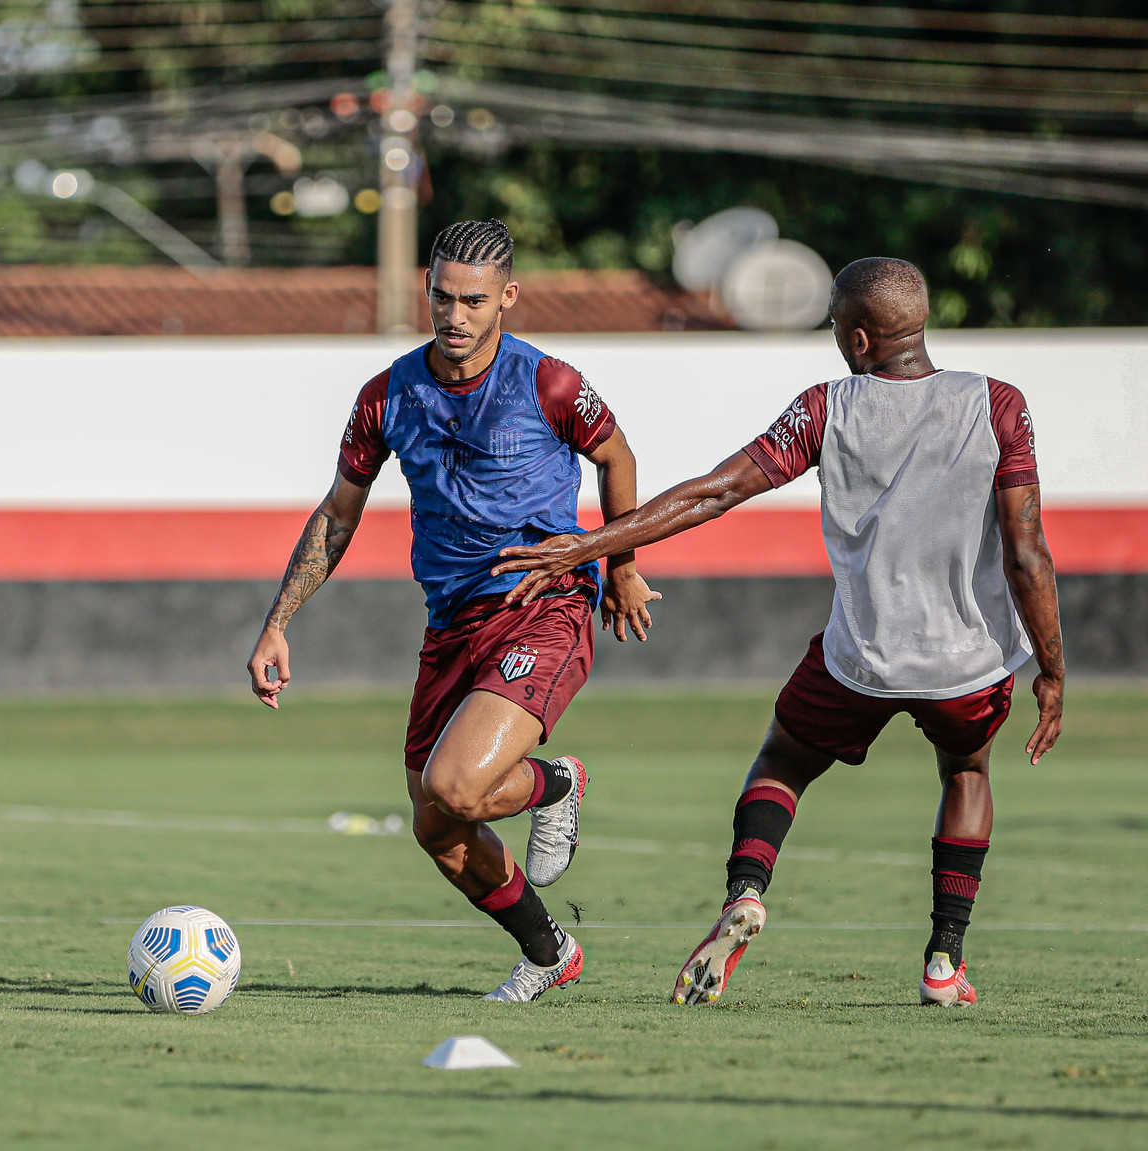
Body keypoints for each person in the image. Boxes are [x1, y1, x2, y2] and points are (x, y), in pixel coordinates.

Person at [498, 257, 1064, 1008]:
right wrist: (1051, 669)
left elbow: (716, 492)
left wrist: (587, 544)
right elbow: (1028, 551)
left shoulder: (826, 407)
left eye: (833, 323)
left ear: (860, 339)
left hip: (857, 661)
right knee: (966, 774)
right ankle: (943, 960)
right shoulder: (999, 403)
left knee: (782, 761)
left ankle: (746, 891)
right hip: (970, 665)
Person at [246, 219, 659, 1003]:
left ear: (507, 298)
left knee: (460, 787)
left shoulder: (551, 383)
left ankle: (554, 783)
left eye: (474, 299)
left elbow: (616, 455)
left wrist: (623, 564)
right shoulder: (387, 396)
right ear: (426, 292)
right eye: (442, 296)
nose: (456, 315)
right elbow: (338, 513)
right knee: (435, 824)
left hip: (545, 604)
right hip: (450, 624)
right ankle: (548, 949)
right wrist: (279, 620)